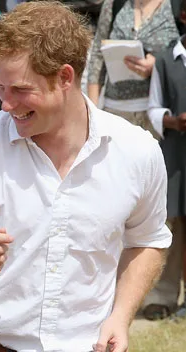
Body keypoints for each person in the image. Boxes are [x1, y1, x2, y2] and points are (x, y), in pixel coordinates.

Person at [0, 3, 171, 352]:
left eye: (19, 89)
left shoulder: (136, 151)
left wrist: (120, 316)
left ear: (65, 77)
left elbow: (148, 240)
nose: (5, 103)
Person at [144, 1, 186, 320]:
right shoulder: (166, 60)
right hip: (176, 152)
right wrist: (172, 121)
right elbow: (153, 107)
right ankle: (163, 294)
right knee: (173, 223)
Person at [87, 0, 179, 138]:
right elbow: (98, 55)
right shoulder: (114, 4)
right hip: (114, 111)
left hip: (158, 116)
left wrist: (157, 64)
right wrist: (92, 112)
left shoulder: (176, 6)